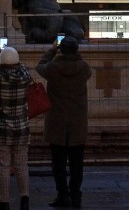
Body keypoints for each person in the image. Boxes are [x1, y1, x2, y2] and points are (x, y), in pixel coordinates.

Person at [36, 37, 92, 209]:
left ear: (61, 50)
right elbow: (85, 68)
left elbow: (39, 66)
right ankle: (75, 195)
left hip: (57, 121)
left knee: (58, 163)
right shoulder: (84, 68)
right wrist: (75, 55)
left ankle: (62, 196)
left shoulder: (53, 68)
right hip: (77, 122)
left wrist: (52, 50)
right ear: (76, 50)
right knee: (77, 163)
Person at [0, 46, 32, 210]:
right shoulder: (25, 77)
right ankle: (24, 199)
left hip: (0, 129)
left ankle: (4, 202)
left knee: (2, 166)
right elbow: (21, 66)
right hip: (21, 128)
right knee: (21, 165)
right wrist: (11, 58)